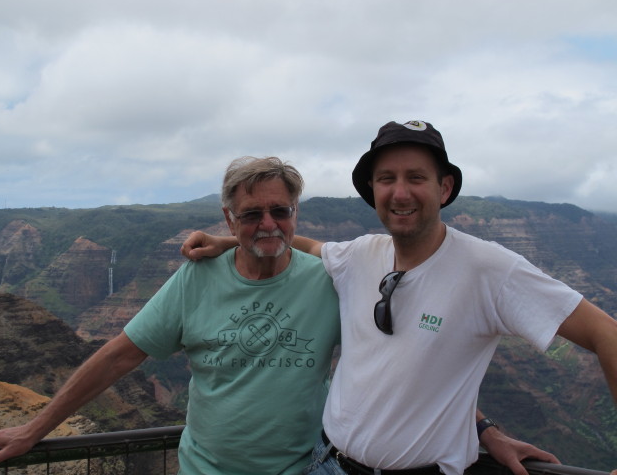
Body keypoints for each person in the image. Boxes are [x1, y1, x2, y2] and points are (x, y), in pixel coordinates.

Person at [181, 121, 617, 475]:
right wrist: (231, 239)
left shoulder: (490, 270)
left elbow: (606, 334)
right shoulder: (358, 255)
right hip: (327, 465)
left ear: (444, 188)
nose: (400, 192)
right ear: (373, 191)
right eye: (386, 179)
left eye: (416, 178)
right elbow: (304, 244)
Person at [0, 157, 341, 474]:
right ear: (229, 220)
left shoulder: (330, 279)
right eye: (251, 214)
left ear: (295, 212)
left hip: (308, 468)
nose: (268, 222)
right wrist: (35, 429)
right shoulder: (197, 277)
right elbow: (118, 357)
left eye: (280, 211)